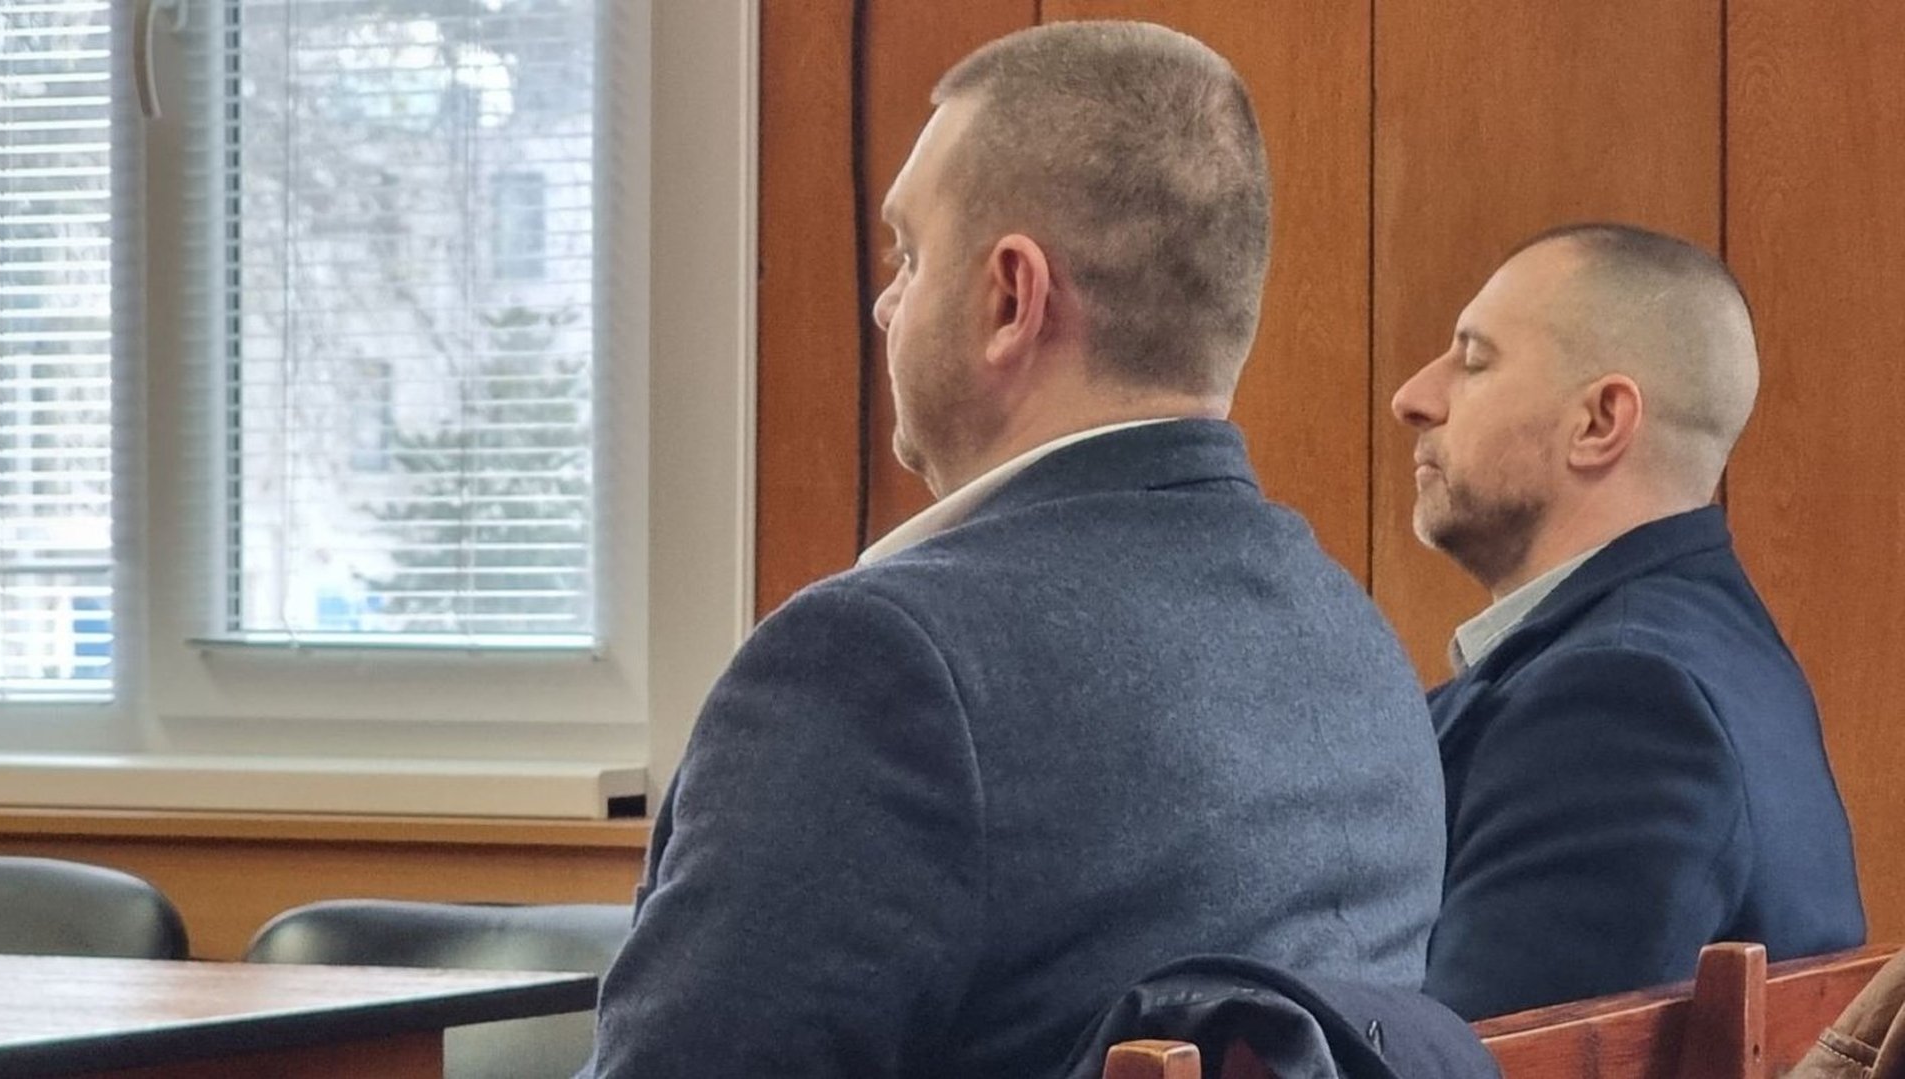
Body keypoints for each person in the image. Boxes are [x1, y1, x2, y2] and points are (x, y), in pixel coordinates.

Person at [580, 21, 1444, 1079]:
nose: (884, 302)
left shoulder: (879, 666)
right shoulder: (1359, 648)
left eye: (908, 254)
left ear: (1009, 299)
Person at [1391, 222, 1865, 1021]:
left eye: (1474, 361)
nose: (1413, 397)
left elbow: (1469, 1055)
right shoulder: (1703, 650)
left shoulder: (1622, 700)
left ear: (1601, 422)